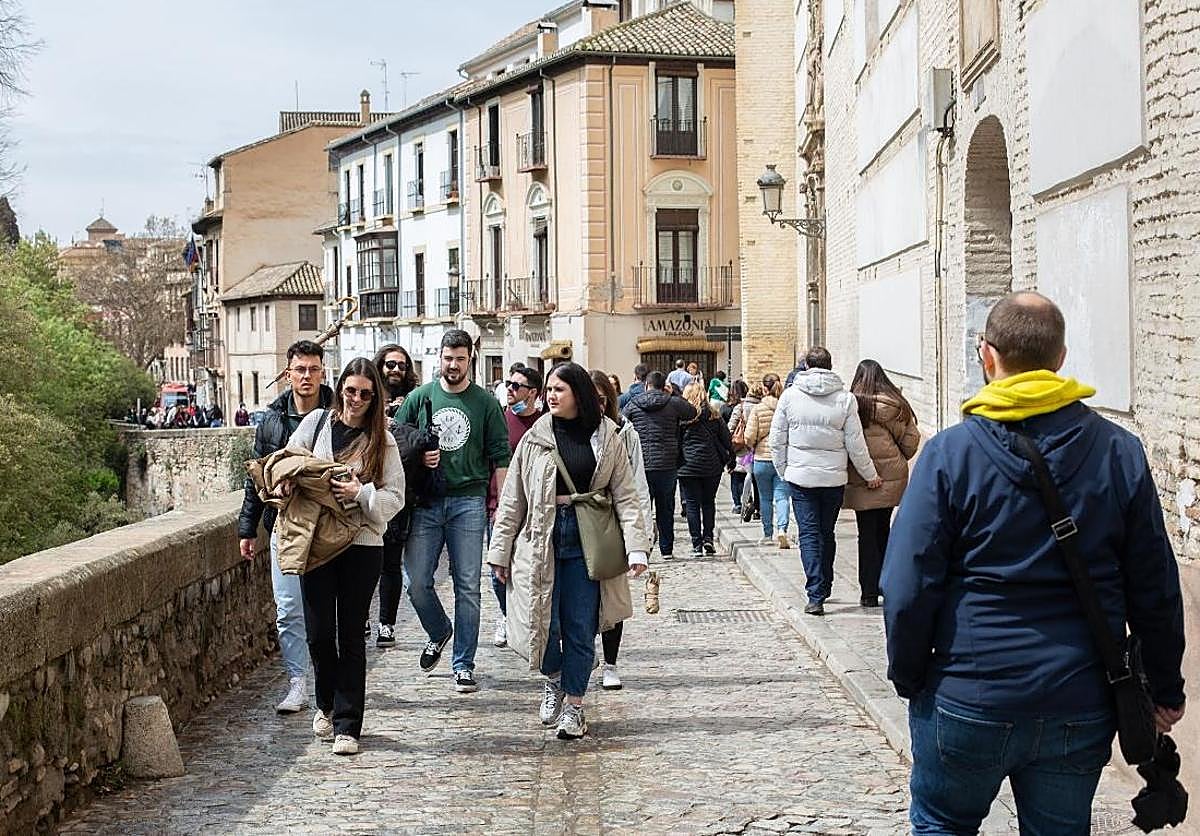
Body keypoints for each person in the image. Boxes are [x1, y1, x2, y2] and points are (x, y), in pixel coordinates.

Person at [882, 291, 1187, 833]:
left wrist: (910, 675)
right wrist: (1164, 688)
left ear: (987, 356)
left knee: (942, 824)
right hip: (1078, 697)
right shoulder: (1119, 452)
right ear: (1062, 358)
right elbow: (1154, 584)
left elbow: (908, 582)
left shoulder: (950, 456)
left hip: (968, 692)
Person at [488, 362, 649, 739]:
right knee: (540, 623)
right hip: (540, 538)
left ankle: (575, 706)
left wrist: (637, 548)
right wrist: (500, 550)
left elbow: (625, 495)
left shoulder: (608, 436)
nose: (550, 395)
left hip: (588, 539)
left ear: (578, 392)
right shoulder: (535, 438)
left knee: (580, 626)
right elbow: (514, 498)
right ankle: (556, 676)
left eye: (558, 389)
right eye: (548, 389)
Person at [284, 357, 404, 755]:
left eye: (365, 394)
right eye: (350, 391)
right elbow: (288, 463)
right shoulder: (316, 424)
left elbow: (395, 498)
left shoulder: (382, 441)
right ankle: (326, 701)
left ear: (375, 398)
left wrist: (361, 494)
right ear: (340, 389)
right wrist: (284, 486)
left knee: (351, 633)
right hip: (317, 542)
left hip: (361, 544)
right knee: (319, 633)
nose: (356, 400)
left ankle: (348, 725)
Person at [396, 330, 511, 693]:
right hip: (427, 503)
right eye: (448, 357)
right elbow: (394, 440)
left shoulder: (485, 404)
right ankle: (438, 629)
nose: (453, 364)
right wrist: (418, 454)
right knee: (415, 582)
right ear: (439, 359)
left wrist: (504, 511)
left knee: (467, 587)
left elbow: (500, 458)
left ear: (470, 360)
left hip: (469, 501)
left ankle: (463, 663)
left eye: (460, 358)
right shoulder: (420, 398)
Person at [238, 340, 334, 714]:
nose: (306, 376)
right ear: (288, 373)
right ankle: (297, 682)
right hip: (283, 523)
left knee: (328, 611)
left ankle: (330, 678)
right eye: (300, 369)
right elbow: (255, 475)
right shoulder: (272, 419)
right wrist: (247, 528)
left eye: (313, 369)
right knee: (288, 607)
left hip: (327, 524)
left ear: (322, 372)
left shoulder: (338, 412)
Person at [771, 347, 880, 616]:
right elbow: (856, 444)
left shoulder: (790, 396)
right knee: (826, 531)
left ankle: (815, 593)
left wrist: (785, 470)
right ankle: (825, 584)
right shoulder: (845, 399)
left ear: (807, 366)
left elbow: (777, 440)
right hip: (832, 478)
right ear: (830, 366)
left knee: (808, 533)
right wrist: (870, 474)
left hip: (800, 477)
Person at [591, 369, 653, 691]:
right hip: (583, 523)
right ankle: (585, 651)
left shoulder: (624, 432)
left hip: (615, 522)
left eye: (600, 400)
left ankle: (611, 662)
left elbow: (636, 485)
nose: (595, 406)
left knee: (612, 597)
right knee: (582, 596)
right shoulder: (565, 432)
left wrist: (642, 536)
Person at [843, 360, 920, 608]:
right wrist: (897, 457)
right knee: (884, 530)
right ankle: (887, 585)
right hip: (890, 475)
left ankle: (868, 592)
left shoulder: (850, 404)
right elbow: (910, 441)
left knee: (865, 533)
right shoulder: (895, 404)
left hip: (859, 476)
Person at [370, 344, 426, 648]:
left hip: (401, 493)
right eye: (390, 364)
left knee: (391, 563)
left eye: (401, 366)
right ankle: (362, 618)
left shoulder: (414, 403)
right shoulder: (367, 398)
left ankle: (386, 624)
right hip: (367, 491)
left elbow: (424, 440)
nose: (395, 370)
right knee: (365, 561)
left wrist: (400, 422)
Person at [488, 364, 543, 649]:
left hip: (536, 508)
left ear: (533, 392)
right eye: (508, 384)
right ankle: (505, 615)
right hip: (499, 506)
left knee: (529, 570)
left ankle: (528, 620)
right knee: (496, 570)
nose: (509, 389)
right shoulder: (499, 419)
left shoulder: (545, 423)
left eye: (515, 386)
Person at [622, 370, 697, 559]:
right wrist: (674, 394)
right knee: (666, 508)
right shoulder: (671, 403)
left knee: (641, 508)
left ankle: (643, 547)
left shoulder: (634, 404)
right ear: (664, 386)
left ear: (646, 385)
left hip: (642, 464)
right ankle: (666, 549)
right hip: (667, 463)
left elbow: (621, 421)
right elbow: (692, 411)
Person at [677, 382, 733, 556]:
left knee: (692, 505)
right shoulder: (714, 416)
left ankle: (696, 544)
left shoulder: (681, 419)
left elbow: (676, 442)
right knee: (708, 502)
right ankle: (708, 537)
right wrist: (730, 459)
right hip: (711, 466)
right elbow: (726, 440)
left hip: (687, 466)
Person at [744, 377, 789, 547]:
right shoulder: (785, 408)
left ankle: (768, 533)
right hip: (782, 458)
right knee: (782, 496)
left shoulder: (758, 409)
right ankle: (782, 529)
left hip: (762, 458)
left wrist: (753, 445)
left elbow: (748, 436)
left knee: (765, 498)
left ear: (764, 389)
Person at [724, 379, 752, 512]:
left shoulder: (728, 408)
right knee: (748, 475)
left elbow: (729, 428)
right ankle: (748, 500)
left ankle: (738, 503)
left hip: (736, 445)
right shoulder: (752, 405)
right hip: (750, 445)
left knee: (735, 476)